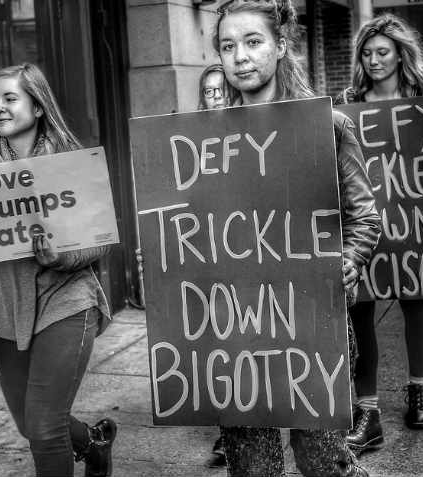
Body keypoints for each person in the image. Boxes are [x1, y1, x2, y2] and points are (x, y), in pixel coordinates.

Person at [213, 1, 381, 475]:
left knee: (322, 457)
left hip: (313, 317)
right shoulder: (204, 141)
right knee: (251, 464)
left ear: (281, 47)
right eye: (228, 46)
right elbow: (191, 226)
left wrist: (352, 257)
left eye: (252, 42)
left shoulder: (327, 126)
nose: (240, 57)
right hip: (236, 322)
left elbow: (364, 214)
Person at [0, 63, 116, 477]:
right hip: (6, 311)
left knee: (44, 425)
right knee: (29, 424)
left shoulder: (71, 163)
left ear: (37, 107)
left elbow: (102, 238)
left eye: (10, 98)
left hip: (67, 303)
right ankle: (94, 444)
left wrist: (62, 257)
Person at [336, 13, 423, 454]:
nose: (373, 60)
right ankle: (366, 410)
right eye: (367, 54)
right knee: (360, 309)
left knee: (416, 301)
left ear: (400, 55)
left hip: (413, 222)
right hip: (364, 224)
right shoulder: (348, 102)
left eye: (382, 53)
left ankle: (418, 390)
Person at [196, 63, 232, 469]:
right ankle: (228, 429)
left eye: (221, 89)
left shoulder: (259, 133)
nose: (217, 96)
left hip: (254, 255)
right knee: (220, 345)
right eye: (209, 91)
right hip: (211, 259)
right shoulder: (193, 142)